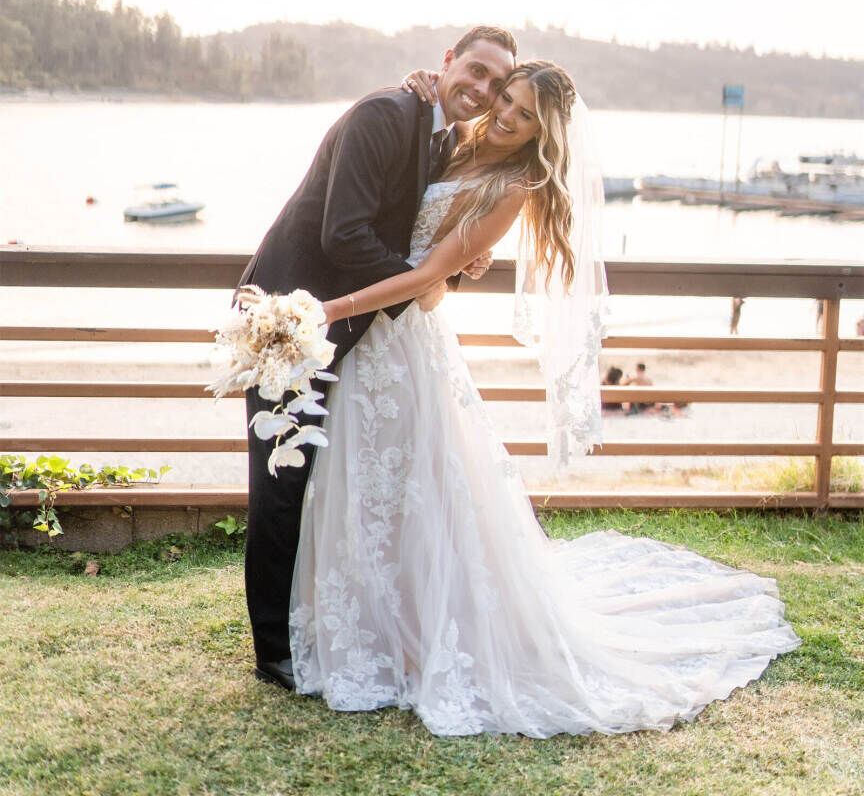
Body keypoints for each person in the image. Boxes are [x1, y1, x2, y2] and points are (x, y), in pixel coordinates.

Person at [284, 61, 799, 737]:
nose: (507, 116)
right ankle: (369, 628)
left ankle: (416, 643)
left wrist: (328, 308)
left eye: (525, 114)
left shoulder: (514, 187)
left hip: (406, 342)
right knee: (366, 485)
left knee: (420, 491)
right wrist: (421, 86)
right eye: (508, 100)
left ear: (543, 132)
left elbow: (429, 275)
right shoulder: (450, 140)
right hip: (369, 343)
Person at [237, 26, 517, 690]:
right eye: (474, 70)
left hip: (350, 335)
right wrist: (423, 288)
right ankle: (274, 653)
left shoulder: (440, 133)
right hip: (293, 320)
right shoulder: (383, 114)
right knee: (281, 488)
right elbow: (343, 233)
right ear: (447, 61)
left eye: (495, 85)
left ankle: (328, 629)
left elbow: (423, 216)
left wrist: (468, 253)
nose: (480, 89)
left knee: (332, 488)